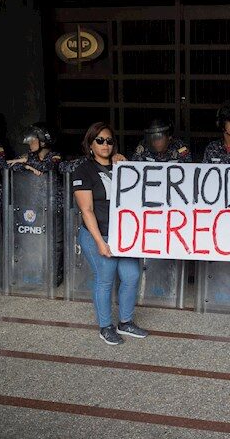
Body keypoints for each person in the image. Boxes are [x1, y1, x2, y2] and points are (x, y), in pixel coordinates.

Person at [72, 122, 148, 345]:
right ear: (90, 144)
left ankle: (125, 322)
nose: (105, 144)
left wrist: (126, 164)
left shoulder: (123, 167)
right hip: (99, 235)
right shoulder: (83, 170)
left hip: (124, 236)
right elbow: (86, 210)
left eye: (110, 141)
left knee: (131, 276)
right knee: (105, 280)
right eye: (100, 140)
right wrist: (99, 242)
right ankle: (105, 326)